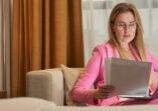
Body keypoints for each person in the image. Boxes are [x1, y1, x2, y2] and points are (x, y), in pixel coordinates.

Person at [71, 2, 158, 106]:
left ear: (136, 26)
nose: (127, 30)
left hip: (143, 103)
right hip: (116, 105)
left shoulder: (142, 52)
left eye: (131, 24)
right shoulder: (102, 52)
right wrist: (96, 94)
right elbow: (76, 92)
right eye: (121, 25)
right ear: (113, 27)